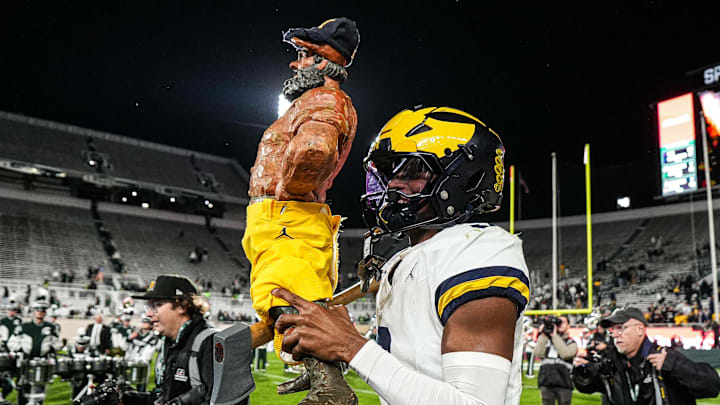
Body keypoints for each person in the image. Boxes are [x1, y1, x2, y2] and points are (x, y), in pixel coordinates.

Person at [273, 106, 530, 404]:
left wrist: (350, 347)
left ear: (465, 179)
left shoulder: (478, 253)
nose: (393, 183)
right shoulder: (406, 258)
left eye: (413, 170)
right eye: (389, 171)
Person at [241, 16, 360, 404]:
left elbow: (314, 150)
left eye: (304, 55)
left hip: (287, 213)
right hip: (285, 215)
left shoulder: (323, 99)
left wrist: (285, 192)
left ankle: (331, 387)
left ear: (325, 62)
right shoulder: (317, 101)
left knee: (285, 294)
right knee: (284, 296)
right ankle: (318, 371)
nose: (296, 64)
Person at [572, 307, 720, 405]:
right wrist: (582, 371)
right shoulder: (612, 360)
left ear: (640, 330)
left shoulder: (664, 355)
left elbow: (712, 385)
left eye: (621, 328)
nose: (615, 334)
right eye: (612, 330)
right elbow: (589, 386)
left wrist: (673, 366)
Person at [108, 275, 215, 405]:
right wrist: (125, 398)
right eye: (149, 306)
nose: (149, 314)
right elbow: (163, 398)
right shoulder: (170, 343)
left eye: (157, 305)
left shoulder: (210, 343)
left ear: (182, 305)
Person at [6, 300, 62, 405]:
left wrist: (52, 348)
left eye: (43, 310)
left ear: (45, 313)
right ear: (33, 311)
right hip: (25, 362)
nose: (40, 312)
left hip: (42, 363)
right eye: (37, 310)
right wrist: (21, 348)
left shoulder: (51, 327)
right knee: (23, 391)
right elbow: (11, 343)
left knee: (39, 392)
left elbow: (57, 344)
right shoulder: (24, 327)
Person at [534, 316, 578, 405]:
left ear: (568, 325)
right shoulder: (546, 340)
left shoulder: (571, 342)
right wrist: (543, 334)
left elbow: (566, 354)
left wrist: (554, 336)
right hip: (546, 381)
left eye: (563, 322)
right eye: (559, 322)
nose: (560, 324)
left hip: (564, 381)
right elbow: (538, 353)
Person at [0, 303, 22, 402]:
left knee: (17, 364)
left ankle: (18, 380)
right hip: (4, 347)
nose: (11, 312)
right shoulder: (3, 321)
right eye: (10, 310)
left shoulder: (19, 321)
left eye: (13, 310)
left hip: (14, 346)